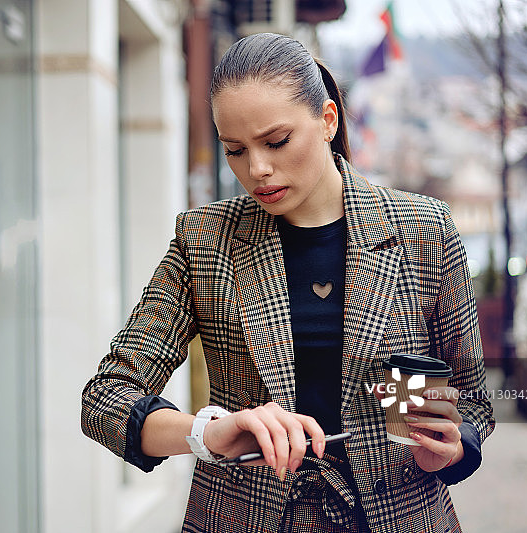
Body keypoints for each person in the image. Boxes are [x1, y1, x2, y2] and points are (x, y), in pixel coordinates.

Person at [81, 33, 495, 533]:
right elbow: (106, 397)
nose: (256, 169)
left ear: (327, 120)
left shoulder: (422, 230)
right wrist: (207, 433)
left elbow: (471, 399)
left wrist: (450, 450)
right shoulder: (206, 239)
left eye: (276, 142)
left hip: (398, 516)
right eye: (234, 150)